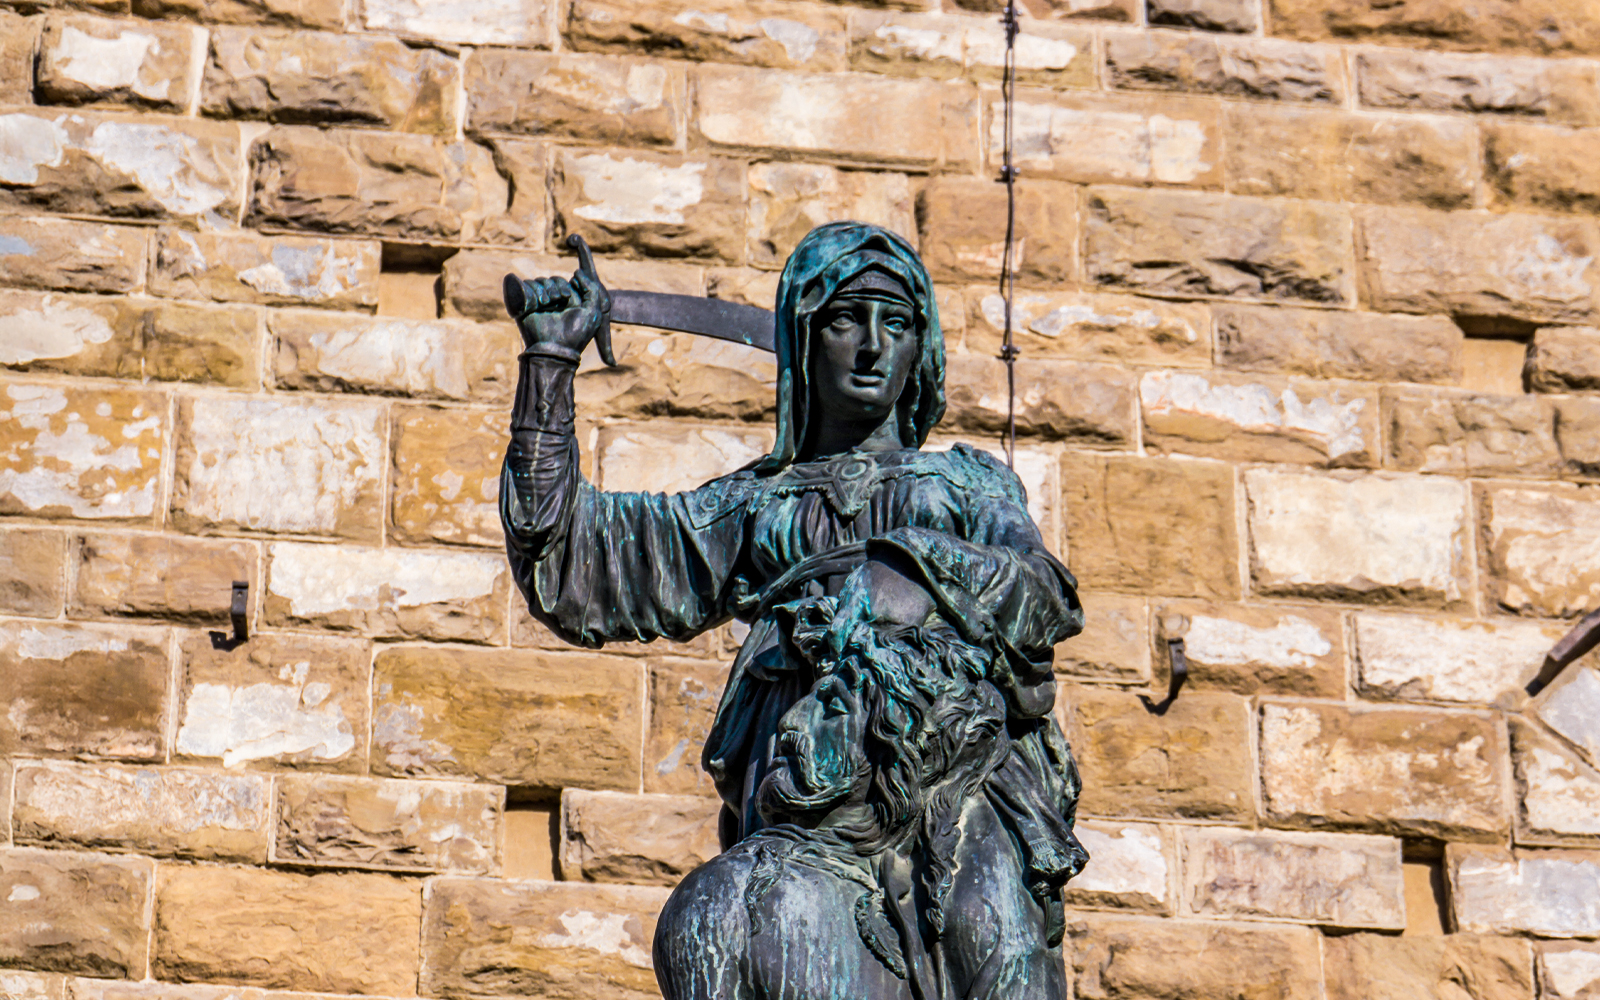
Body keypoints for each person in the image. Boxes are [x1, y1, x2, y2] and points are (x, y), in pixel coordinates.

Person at [499, 222, 1087, 990]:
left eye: (898, 323)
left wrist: (904, 569)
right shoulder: (753, 506)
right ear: (805, 340)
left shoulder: (969, 484)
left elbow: (1044, 593)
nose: (874, 346)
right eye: (847, 320)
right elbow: (573, 562)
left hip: (954, 776)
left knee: (999, 941)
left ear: (921, 349)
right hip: (805, 781)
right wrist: (548, 363)